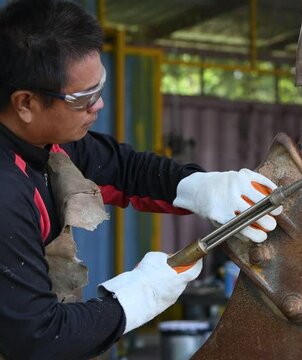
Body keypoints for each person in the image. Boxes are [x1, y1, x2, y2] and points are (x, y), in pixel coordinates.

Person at [0, 0, 281, 359]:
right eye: (84, 98)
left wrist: (200, 187)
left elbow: (124, 170)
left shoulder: (46, 144)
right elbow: (39, 339)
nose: (97, 106)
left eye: (99, 87)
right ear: (25, 103)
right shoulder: (6, 193)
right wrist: (135, 298)